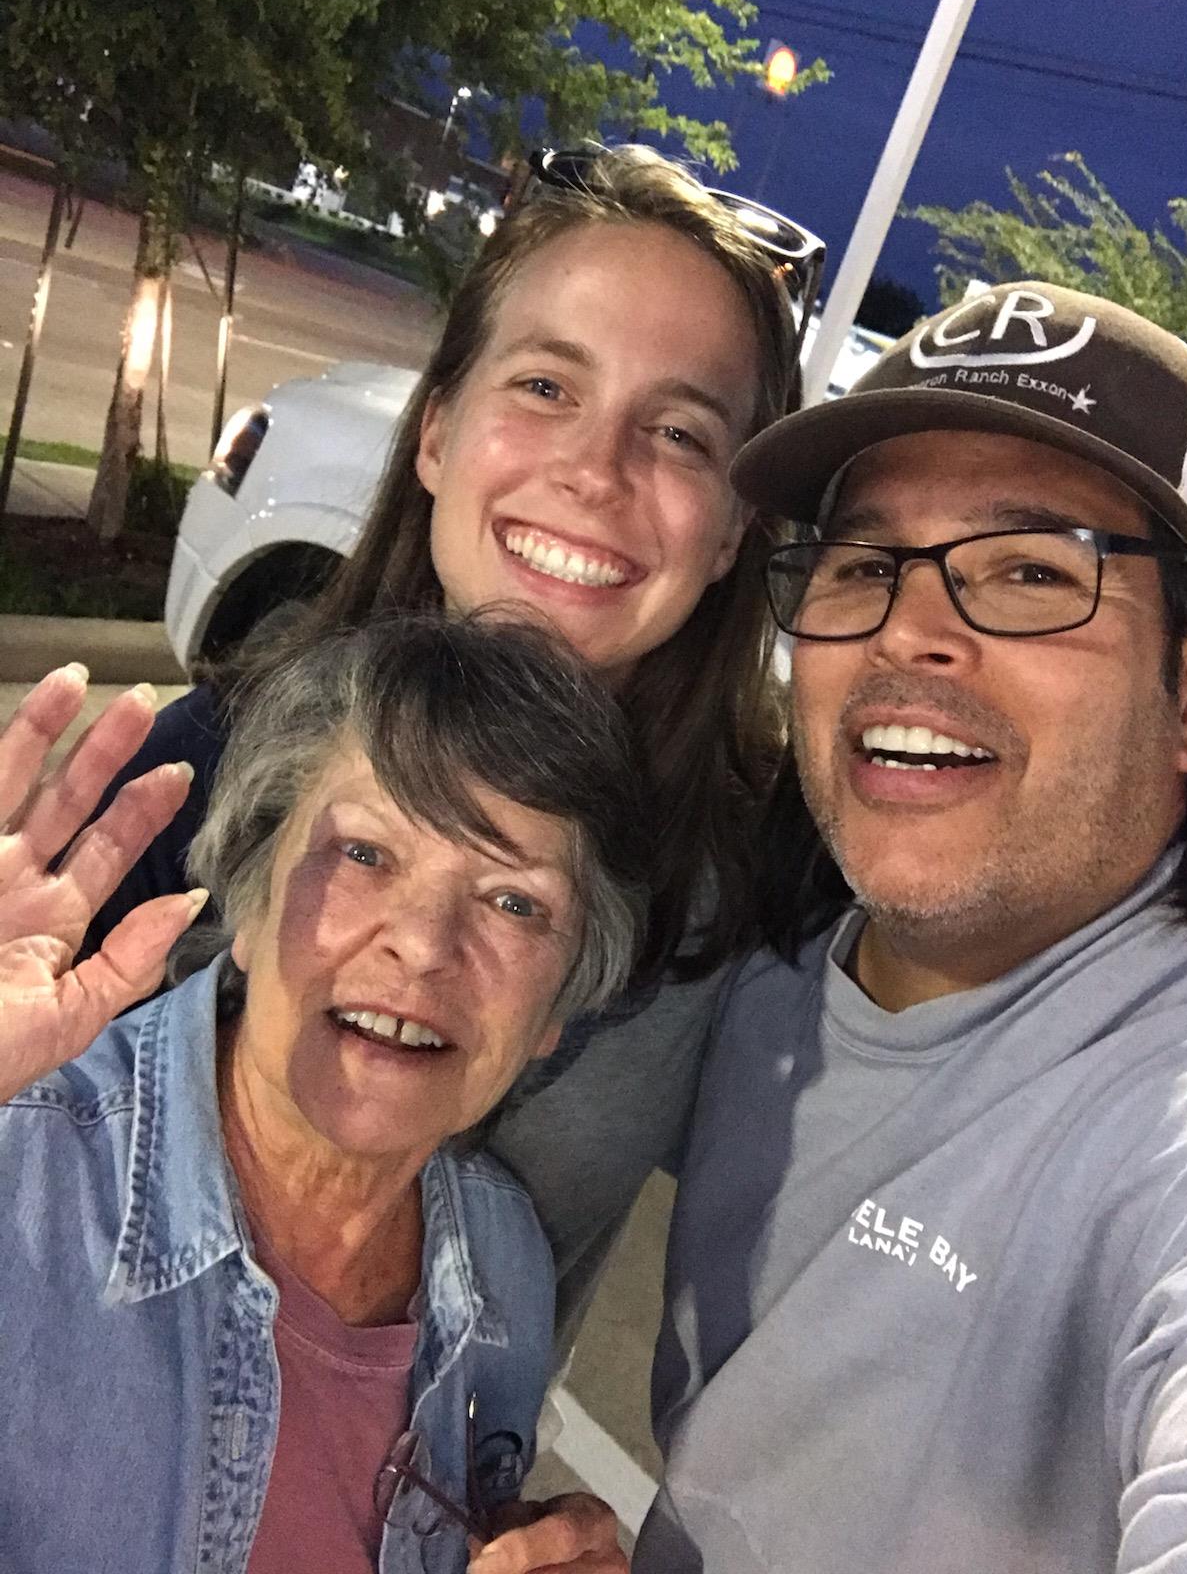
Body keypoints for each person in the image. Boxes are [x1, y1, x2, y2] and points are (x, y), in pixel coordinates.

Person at [79, 143, 824, 1337]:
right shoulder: (199, 771)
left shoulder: (757, 879)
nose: (594, 470)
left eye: (680, 433)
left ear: (734, 529)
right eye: (543, 387)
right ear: (435, 433)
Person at [636, 282, 1187, 1572]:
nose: (909, 630)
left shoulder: (1163, 1127)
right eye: (865, 564)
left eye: (1027, 570)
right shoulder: (760, 968)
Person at [0, 615, 646, 1573]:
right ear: (247, 905)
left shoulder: (502, 1265)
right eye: (364, 854)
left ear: (556, 1011)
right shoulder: (23, 1168)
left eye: (515, 902)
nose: (423, 944)